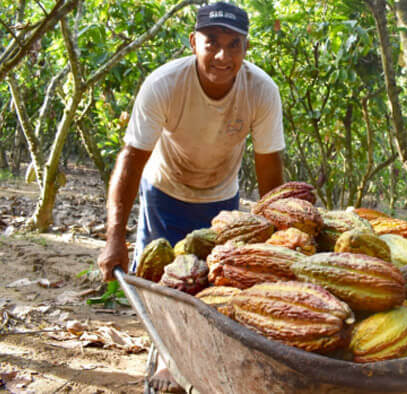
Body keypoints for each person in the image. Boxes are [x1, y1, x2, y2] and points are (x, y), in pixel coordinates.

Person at [97, 2, 284, 392]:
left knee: (215, 289)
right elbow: (130, 161)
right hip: (165, 192)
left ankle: (203, 363)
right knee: (167, 289)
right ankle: (167, 366)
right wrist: (115, 236)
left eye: (234, 45)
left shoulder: (261, 91)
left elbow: (269, 174)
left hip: (221, 201)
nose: (222, 55)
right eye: (211, 42)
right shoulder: (165, 84)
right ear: (193, 41)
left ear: (246, 49)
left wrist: (279, 241)